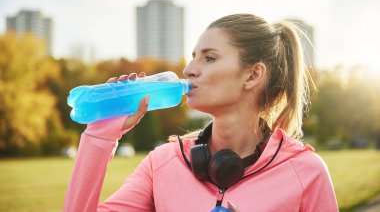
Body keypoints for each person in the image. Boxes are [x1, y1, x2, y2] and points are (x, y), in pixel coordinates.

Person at [63, 14, 338, 212]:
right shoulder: (163, 163)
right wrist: (101, 133)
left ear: (253, 75)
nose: (189, 69)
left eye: (209, 58)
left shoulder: (306, 173)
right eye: (193, 56)